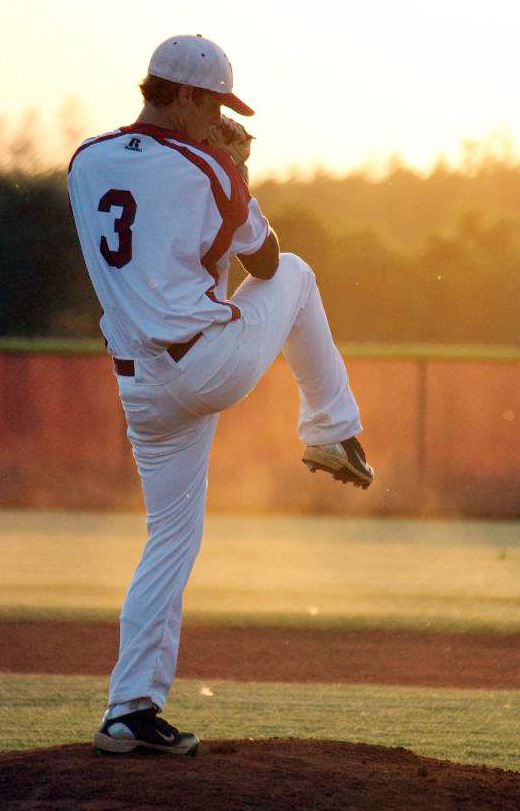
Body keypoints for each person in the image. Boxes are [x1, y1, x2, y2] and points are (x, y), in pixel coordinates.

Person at [67, 34, 374, 756]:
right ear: (182, 95)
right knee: (295, 272)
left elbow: (151, 227)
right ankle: (332, 426)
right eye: (213, 107)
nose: (221, 121)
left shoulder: (86, 160)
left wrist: (217, 164)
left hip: (140, 385)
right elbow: (261, 261)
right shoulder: (209, 166)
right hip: (203, 364)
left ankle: (129, 709)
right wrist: (235, 169)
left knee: (169, 538)